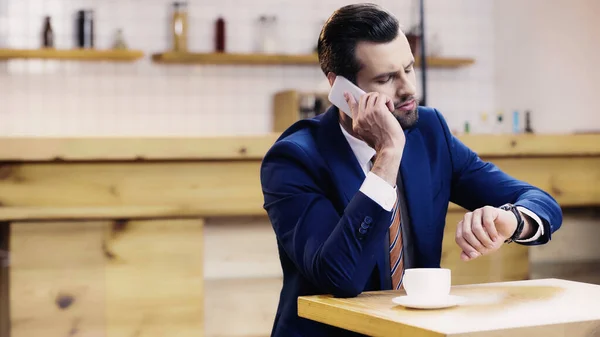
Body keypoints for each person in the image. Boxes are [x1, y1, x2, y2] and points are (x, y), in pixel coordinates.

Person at [259, 3, 562, 337]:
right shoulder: (293, 159)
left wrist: (512, 221)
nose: (408, 90)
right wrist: (387, 155)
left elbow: (540, 201)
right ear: (341, 89)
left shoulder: (429, 131)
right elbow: (340, 276)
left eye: (409, 68)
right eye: (386, 78)